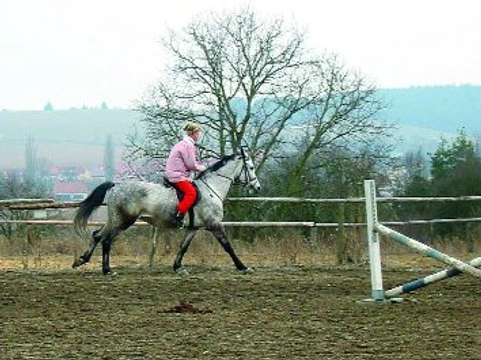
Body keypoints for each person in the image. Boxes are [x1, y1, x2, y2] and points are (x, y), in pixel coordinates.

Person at [165, 122, 206, 227]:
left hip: (176, 174)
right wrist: (202, 168)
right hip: (177, 175)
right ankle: (178, 215)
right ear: (193, 133)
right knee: (192, 193)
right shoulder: (188, 145)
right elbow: (191, 165)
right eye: (198, 133)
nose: (199, 135)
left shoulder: (183, 143)